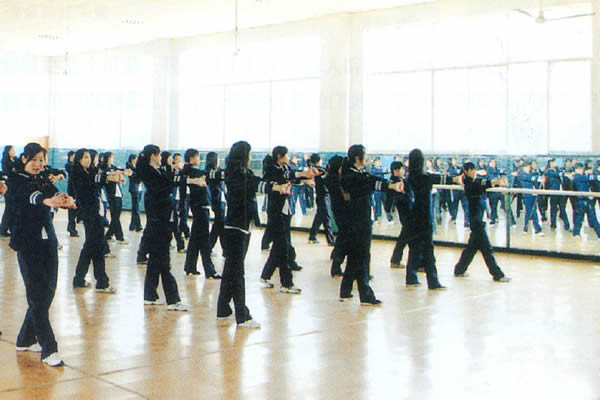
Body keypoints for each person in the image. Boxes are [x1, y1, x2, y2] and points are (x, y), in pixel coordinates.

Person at [10, 143, 76, 367]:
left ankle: (25, 339)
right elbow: (32, 197)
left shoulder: (42, 178)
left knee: (47, 292)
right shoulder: (16, 179)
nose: (38, 164)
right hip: (27, 243)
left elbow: (52, 192)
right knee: (37, 295)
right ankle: (49, 349)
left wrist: (63, 199)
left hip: (48, 241)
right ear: (24, 159)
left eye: (41, 160)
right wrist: (47, 200)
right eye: (34, 160)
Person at [217, 141, 290, 328]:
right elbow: (252, 185)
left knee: (231, 270)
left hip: (243, 226)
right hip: (235, 228)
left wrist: (278, 185)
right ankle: (243, 317)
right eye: (249, 154)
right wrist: (275, 188)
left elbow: (257, 181)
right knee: (237, 273)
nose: (250, 157)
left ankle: (223, 308)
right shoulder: (235, 175)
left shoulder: (243, 173)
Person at [137, 144, 204, 310]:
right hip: (158, 223)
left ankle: (150, 295)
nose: (161, 159)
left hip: (162, 220)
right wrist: (189, 180)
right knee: (164, 262)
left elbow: (170, 180)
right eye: (160, 156)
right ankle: (173, 300)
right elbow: (166, 184)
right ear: (153, 156)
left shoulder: (157, 171)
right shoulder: (150, 173)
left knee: (155, 261)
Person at [340, 145, 403, 305]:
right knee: (362, 256)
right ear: (357, 158)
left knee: (355, 256)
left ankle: (345, 290)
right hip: (358, 221)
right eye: (365, 155)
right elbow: (370, 183)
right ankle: (366, 295)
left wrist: (391, 184)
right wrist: (390, 186)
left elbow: (372, 180)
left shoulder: (358, 173)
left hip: (361, 219)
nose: (367, 158)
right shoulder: (351, 176)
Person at [260, 146, 314, 293]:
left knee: (279, 246)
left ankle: (265, 275)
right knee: (283, 247)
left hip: (285, 210)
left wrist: (305, 179)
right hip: (275, 212)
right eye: (286, 155)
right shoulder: (272, 169)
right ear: (279, 156)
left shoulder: (284, 167)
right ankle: (286, 283)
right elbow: (286, 175)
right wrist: (302, 174)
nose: (288, 157)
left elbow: (292, 175)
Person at [405, 148, 458, 290]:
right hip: (424, 218)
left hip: (413, 217)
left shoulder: (410, 177)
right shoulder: (424, 177)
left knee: (414, 248)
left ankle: (411, 277)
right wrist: (455, 179)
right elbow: (441, 179)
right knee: (428, 250)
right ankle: (433, 281)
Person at [453, 162, 511, 282]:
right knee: (486, 248)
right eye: (472, 170)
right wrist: (495, 182)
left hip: (477, 219)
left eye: (475, 170)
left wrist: (496, 182)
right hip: (476, 221)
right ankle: (498, 274)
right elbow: (480, 186)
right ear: (466, 172)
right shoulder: (469, 184)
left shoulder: (473, 182)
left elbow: (481, 184)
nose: (474, 172)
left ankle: (459, 269)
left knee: (471, 248)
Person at [71, 149, 120, 292]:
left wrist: (113, 175)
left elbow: (99, 176)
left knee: (90, 247)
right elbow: (96, 180)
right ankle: (101, 282)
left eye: (89, 157)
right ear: (79, 159)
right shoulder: (78, 174)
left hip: (95, 214)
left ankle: (80, 279)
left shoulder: (89, 172)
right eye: (85, 157)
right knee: (96, 248)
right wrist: (108, 178)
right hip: (89, 214)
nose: (89, 160)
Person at [182, 149, 221, 278]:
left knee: (195, 239)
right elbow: (206, 175)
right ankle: (210, 271)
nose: (199, 160)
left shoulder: (192, 171)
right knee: (204, 240)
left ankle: (190, 266)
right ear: (192, 158)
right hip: (200, 207)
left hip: (199, 207)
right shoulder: (192, 171)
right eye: (197, 157)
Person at [386, 161, 411, 269]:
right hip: (404, 211)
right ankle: (395, 260)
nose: (403, 171)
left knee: (407, 236)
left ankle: (396, 260)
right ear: (396, 170)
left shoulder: (402, 180)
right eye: (402, 169)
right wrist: (388, 212)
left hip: (407, 211)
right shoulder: (393, 183)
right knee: (405, 236)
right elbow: (389, 199)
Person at [326, 156, 347, 277]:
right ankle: (336, 265)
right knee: (344, 238)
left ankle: (336, 261)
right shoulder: (336, 179)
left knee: (342, 237)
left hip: (338, 209)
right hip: (342, 210)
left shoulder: (331, 177)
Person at [307, 153, 335, 246]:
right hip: (323, 196)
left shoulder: (317, 169)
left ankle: (312, 237)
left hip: (322, 196)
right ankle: (331, 240)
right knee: (327, 218)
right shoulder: (317, 170)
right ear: (318, 161)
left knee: (319, 217)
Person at [569, 163, 600, 239]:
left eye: (582, 169)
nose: (581, 170)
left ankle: (598, 233)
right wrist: (590, 175)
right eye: (580, 169)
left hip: (586, 200)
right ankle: (576, 234)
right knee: (580, 218)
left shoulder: (582, 178)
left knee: (591, 218)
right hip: (581, 200)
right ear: (576, 169)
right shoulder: (577, 178)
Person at [206, 152, 226, 254]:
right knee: (219, 223)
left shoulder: (218, 170)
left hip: (222, 200)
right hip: (216, 200)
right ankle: (211, 247)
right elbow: (217, 176)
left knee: (220, 224)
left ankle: (222, 249)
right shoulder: (209, 172)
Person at [0, 144, 17, 237]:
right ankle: (3, 229)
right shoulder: (6, 161)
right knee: (8, 209)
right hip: (8, 188)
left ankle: (9, 228)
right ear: (8, 151)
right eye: (12, 150)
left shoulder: (14, 160)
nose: (14, 152)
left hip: (14, 187)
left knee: (11, 209)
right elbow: (9, 173)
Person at [127, 153, 144, 232]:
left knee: (135, 207)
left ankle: (132, 225)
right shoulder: (129, 166)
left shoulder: (137, 166)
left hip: (139, 188)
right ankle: (138, 225)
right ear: (132, 159)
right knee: (136, 207)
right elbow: (134, 176)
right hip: (134, 188)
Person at [65, 151, 79, 237]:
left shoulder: (75, 166)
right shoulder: (68, 165)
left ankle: (70, 227)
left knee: (75, 210)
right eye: (73, 156)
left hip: (76, 190)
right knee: (72, 210)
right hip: (72, 191)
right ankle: (72, 229)